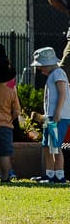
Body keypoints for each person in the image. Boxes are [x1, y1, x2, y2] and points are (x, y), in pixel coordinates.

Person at [41, 48, 70, 184]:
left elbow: (62, 93)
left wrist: (58, 112)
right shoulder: (52, 75)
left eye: (42, 66)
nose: (40, 70)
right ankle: (49, 174)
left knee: (55, 145)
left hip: (57, 116)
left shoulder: (58, 73)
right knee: (48, 145)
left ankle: (59, 175)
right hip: (50, 116)